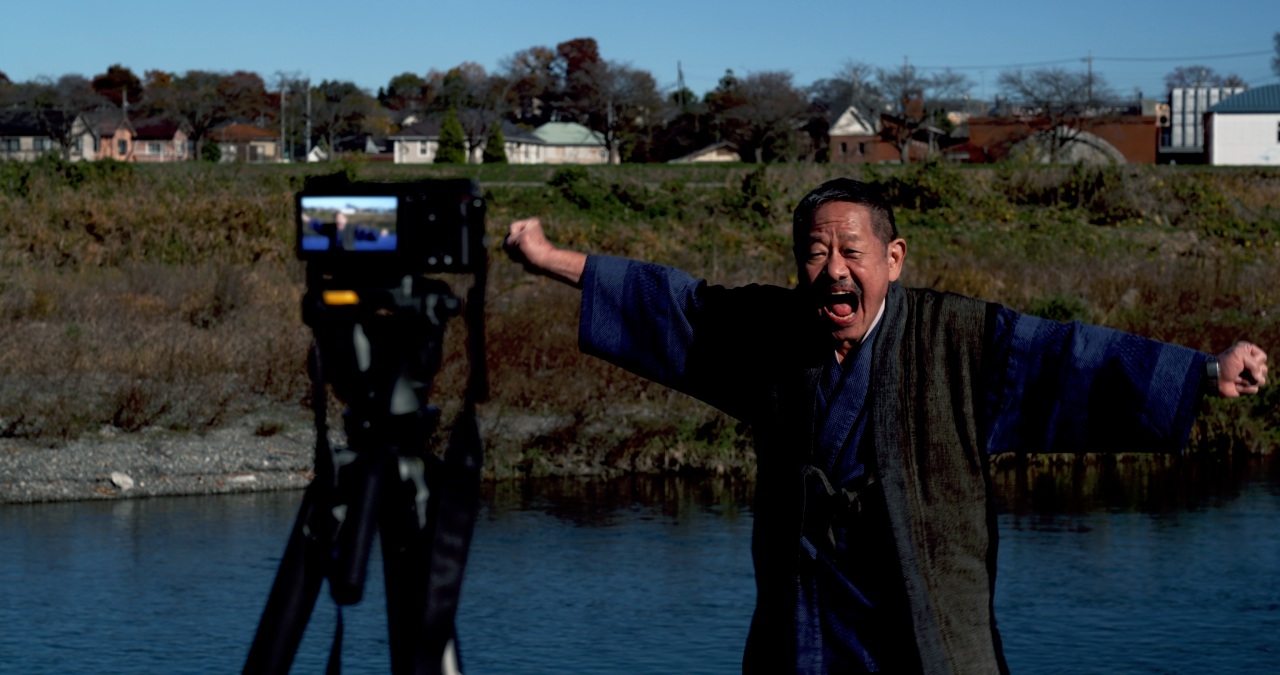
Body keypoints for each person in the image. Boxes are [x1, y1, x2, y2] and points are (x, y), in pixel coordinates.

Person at [502, 178, 1268, 674]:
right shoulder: (774, 335)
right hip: (806, 636)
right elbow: (675, 306)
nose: (834, 268)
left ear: (893, 259)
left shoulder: (959, 341)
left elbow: (1073, 357)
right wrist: (545, 258)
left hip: (924, 635)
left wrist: (1204, 370)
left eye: (852, 251)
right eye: (816, 253)